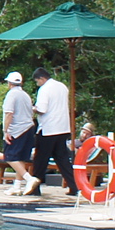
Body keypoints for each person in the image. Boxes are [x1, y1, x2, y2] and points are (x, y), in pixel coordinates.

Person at [26, 65, 77, 197]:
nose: (37, 84)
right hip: (63, 128)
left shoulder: (44, 89)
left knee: (40, 159)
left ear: (41, 78)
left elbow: (42, 109)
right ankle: (73, 186)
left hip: (48, 129)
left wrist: (32, 108)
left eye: (37, 81)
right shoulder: (62, 87)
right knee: (62, 159)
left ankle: (35, 188)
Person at [0, 70, 38, 194]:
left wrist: (5, 131)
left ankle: (29, 179)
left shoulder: (11, 95)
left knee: (9, 156)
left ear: (10, 83)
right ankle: (17, 186)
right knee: (21, 158)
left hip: (17, 130)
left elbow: (9, 113)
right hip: (29, 128)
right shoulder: (25, 95)